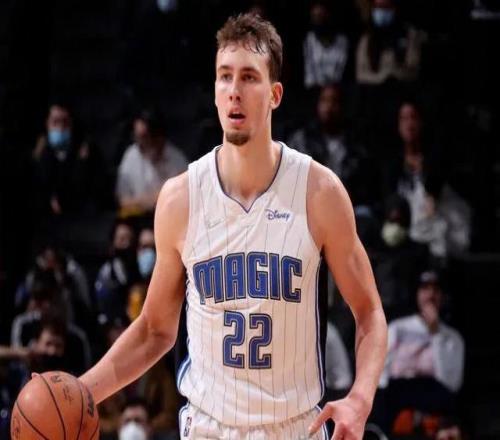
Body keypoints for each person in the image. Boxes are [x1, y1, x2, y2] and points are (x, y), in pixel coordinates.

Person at [80, 13, 387, 439]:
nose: (234, 91)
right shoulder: (181, 198)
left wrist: (361, 397)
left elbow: (369, 312)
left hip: (292, 427)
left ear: (275, 94)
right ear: (214, 91)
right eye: (225, 77)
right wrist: (80, 393)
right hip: (209, 427)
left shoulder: (319, 192)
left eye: (249, 77)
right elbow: (154, 330)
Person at [116, 108, 188, 219]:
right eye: (138, 137)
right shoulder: (131, 155)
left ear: (158, 136)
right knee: (122, 229)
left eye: (145, 137)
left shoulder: (176, 159)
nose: (141, 143)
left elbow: (183, 198)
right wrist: (148, 201)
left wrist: (152, 201)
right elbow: (123, 201)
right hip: (136, 216)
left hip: (167, 216)